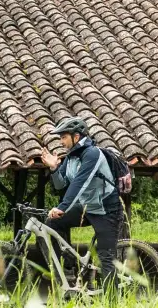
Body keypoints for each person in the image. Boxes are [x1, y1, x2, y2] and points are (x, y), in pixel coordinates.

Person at [46, 116, 126, 283]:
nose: (61, 142)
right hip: (87, 208)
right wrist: (54, 168)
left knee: (105, 257)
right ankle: (70, 266)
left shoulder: (93, 154)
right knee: (53, 223)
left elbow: (80, 182)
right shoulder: (71, 157)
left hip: (107, 211)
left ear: (77, 137)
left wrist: (63, 207)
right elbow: (61, 185)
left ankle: (112, 304)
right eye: (60, 138)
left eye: (64, 137)